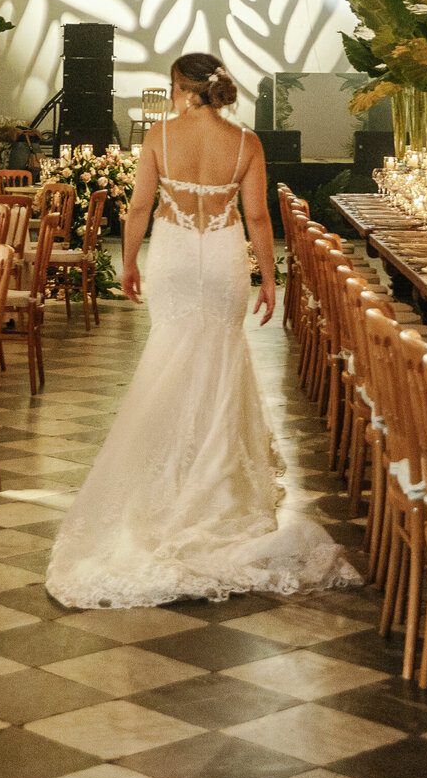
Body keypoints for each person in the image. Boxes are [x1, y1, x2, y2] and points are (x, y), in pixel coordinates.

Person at [46, 50, 357, 609]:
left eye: (171, 84)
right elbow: (257, 216)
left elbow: (140, 205)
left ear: (181, 87)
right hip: (221, 258)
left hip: (171, 255)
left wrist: (130, 259)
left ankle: (166, 481)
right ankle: (215, 487)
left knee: (168, 354)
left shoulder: (160, 137)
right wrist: (268, 275)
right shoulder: (246, 143)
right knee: (220, 358)